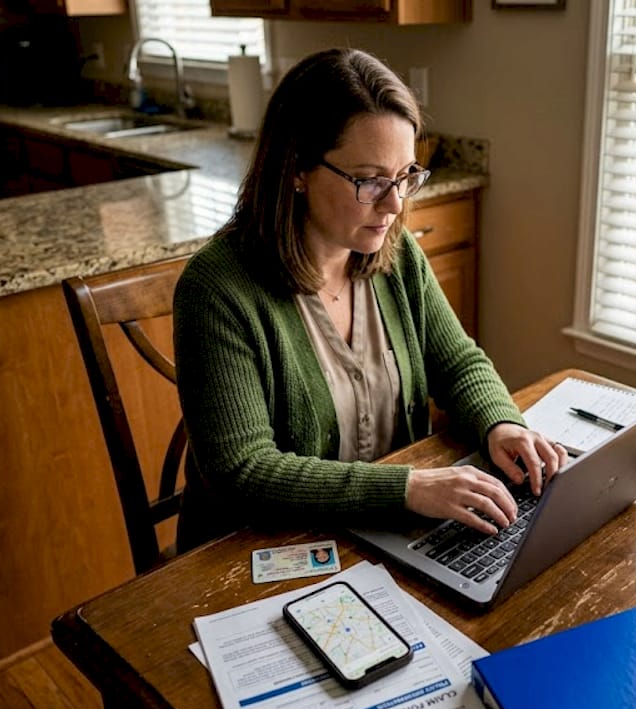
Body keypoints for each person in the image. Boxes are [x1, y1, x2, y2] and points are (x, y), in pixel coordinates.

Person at [172, 48, 566, 552]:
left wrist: (501, 422)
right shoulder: (217, 289)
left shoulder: (395, 255)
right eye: (371, 180)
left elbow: (458, 363)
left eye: (405, 176)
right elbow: (244, 471)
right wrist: (408, 488)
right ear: (296, 169)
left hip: (378, 536)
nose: (395, 203)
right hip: (255, 552)